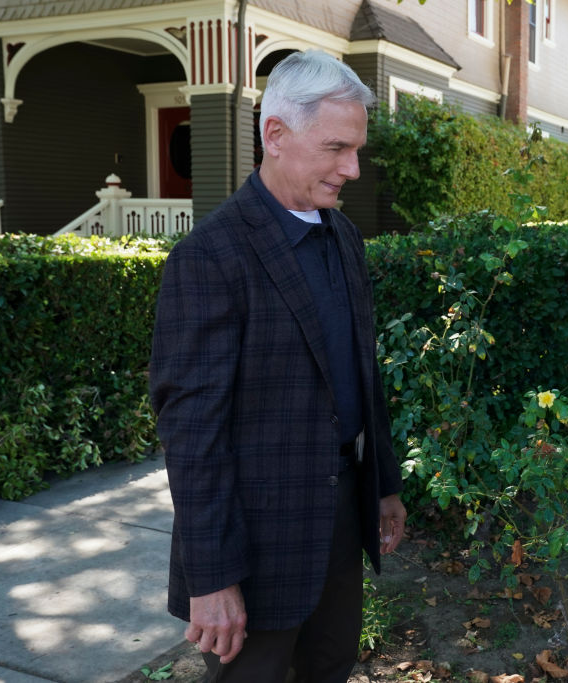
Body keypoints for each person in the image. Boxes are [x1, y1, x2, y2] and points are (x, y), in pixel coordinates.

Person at [149, 49, 406, 683]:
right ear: (276, 134)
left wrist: (383, 484)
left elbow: (359, 373)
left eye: (357, 150)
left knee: (330, 665)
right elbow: (192, 434)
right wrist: (213, 577)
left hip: (343, 512)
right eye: (336, 148)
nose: (351, 168)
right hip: (253, 536)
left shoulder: (343, 236)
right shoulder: (208, 258)